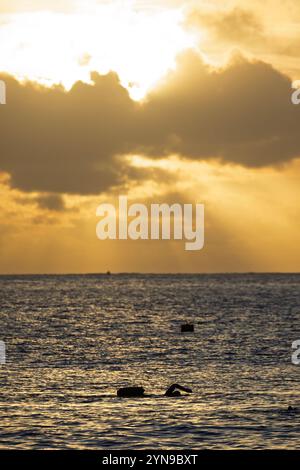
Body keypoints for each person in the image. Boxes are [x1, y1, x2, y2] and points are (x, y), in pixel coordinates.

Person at [117, 384, 192, 398]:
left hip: (145, 396)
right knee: (140, 391)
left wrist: (186, 390)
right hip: (145, 396)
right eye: (177, 393)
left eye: (177, 393)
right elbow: (174, 385)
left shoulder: (166, 396)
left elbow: (175, 385)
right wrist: (186, 390)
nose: (177, 392)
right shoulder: (167, 395)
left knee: (139, 393)